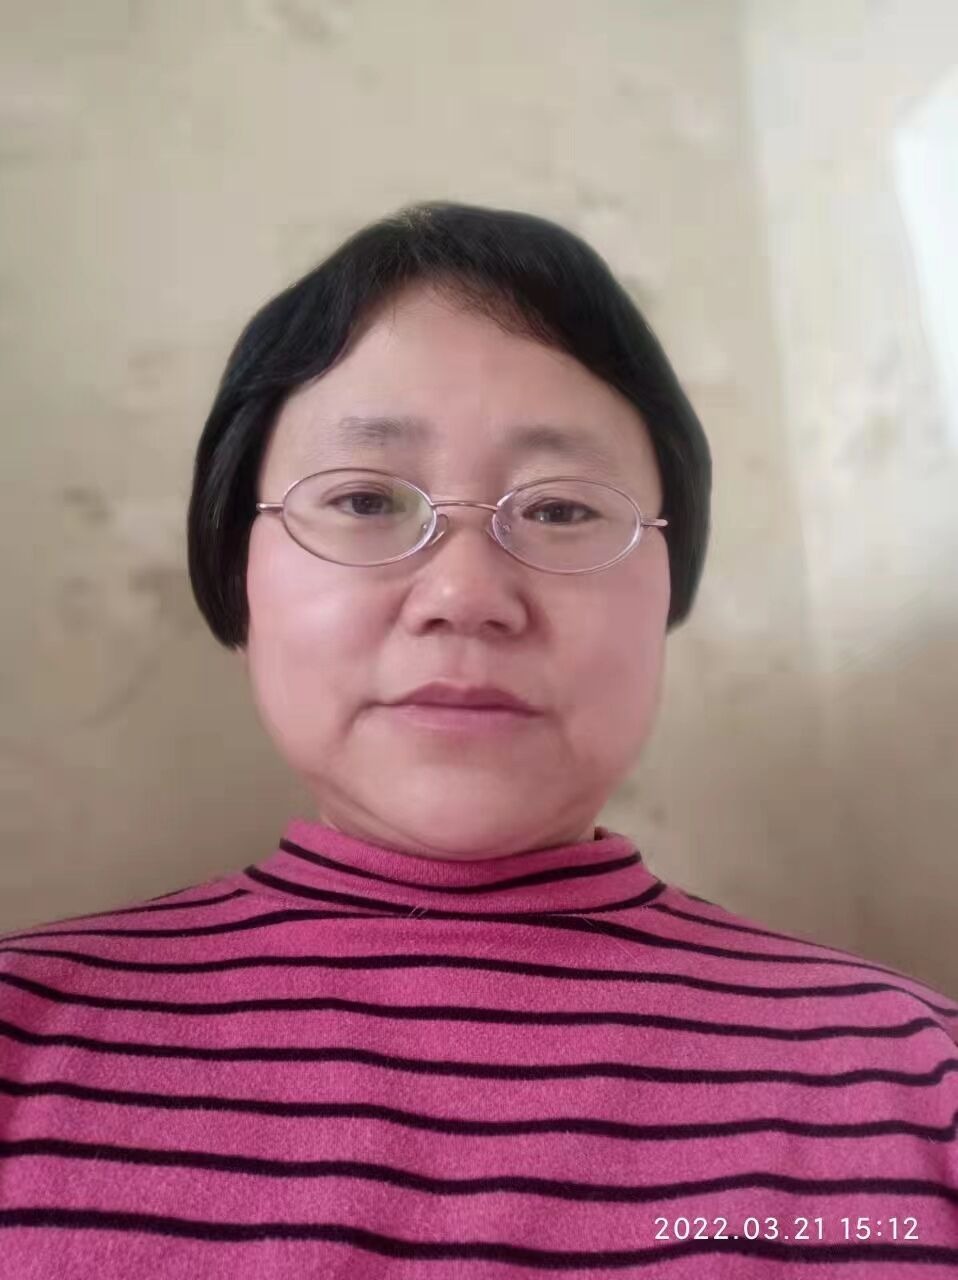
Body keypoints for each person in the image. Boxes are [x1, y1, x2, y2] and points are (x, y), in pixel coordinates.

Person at [1, 202, 955, 1279]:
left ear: (665, 589)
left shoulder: (921, 1083)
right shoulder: (21, 1033)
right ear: (237, 576)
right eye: (366, 497)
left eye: (560, 511)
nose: (464, 594)